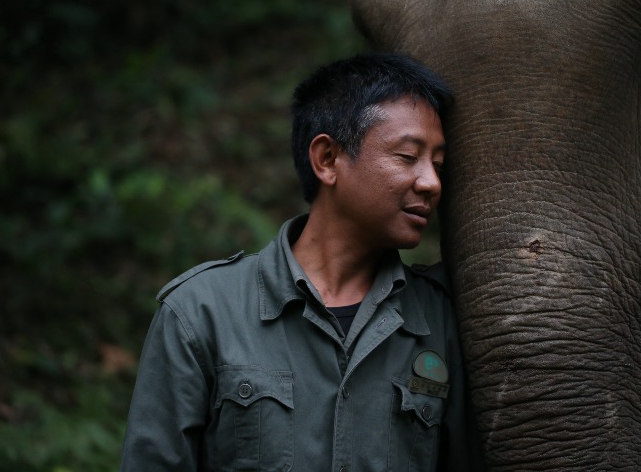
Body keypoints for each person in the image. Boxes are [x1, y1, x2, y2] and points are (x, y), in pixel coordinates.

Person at [119, 53, 483, 471]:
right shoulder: (202, 313)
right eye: (407, 156)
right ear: (327, 159)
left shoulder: (443, 320)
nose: (432, 182)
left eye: (438, 164)